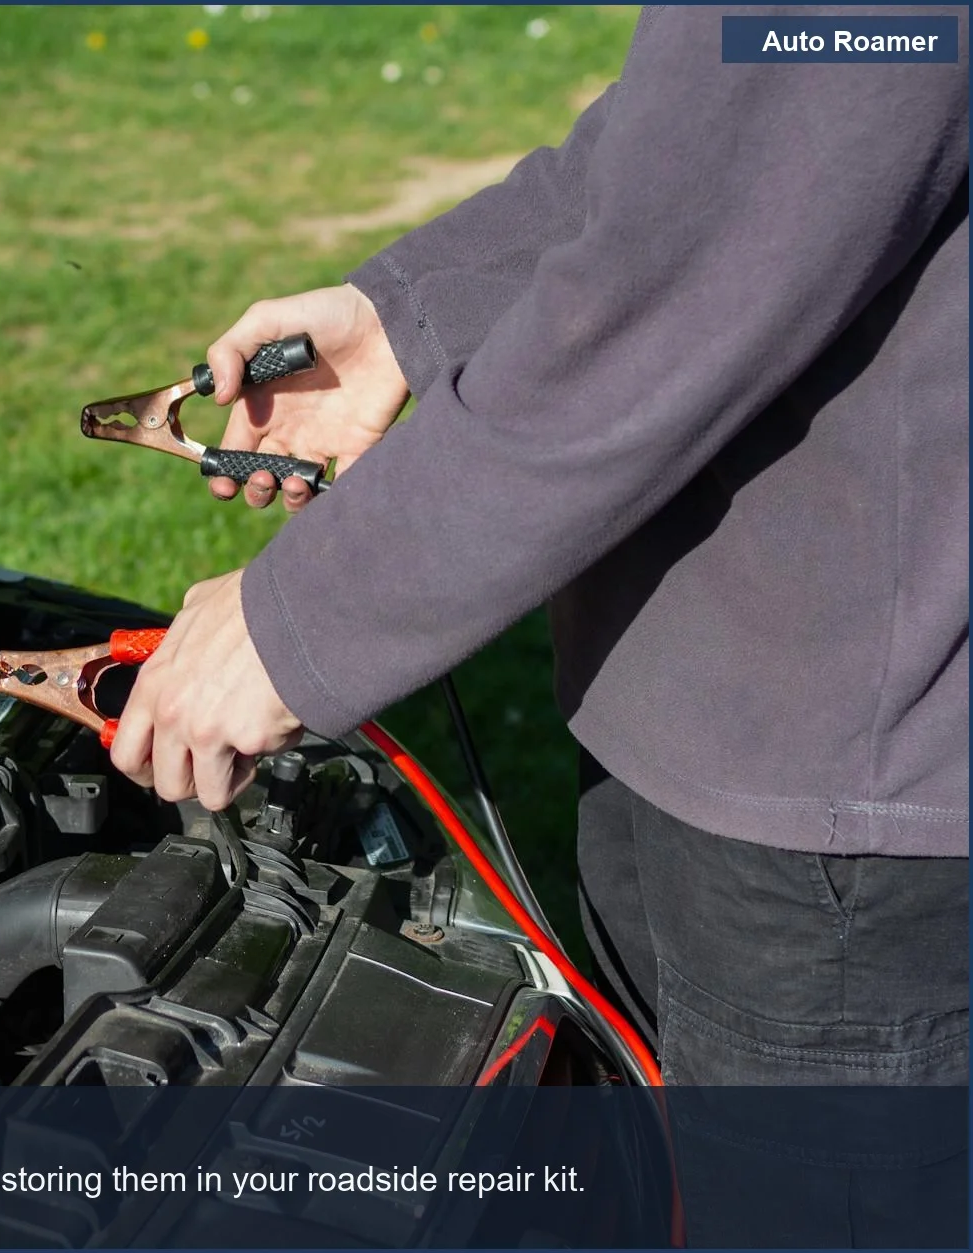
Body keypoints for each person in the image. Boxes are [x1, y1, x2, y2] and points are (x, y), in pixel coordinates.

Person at [107, 4, 969, 1093]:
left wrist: (297, 621)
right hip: (698, 713)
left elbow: (657, 313)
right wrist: (403, 312)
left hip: (846, 821)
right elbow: (708, 121)